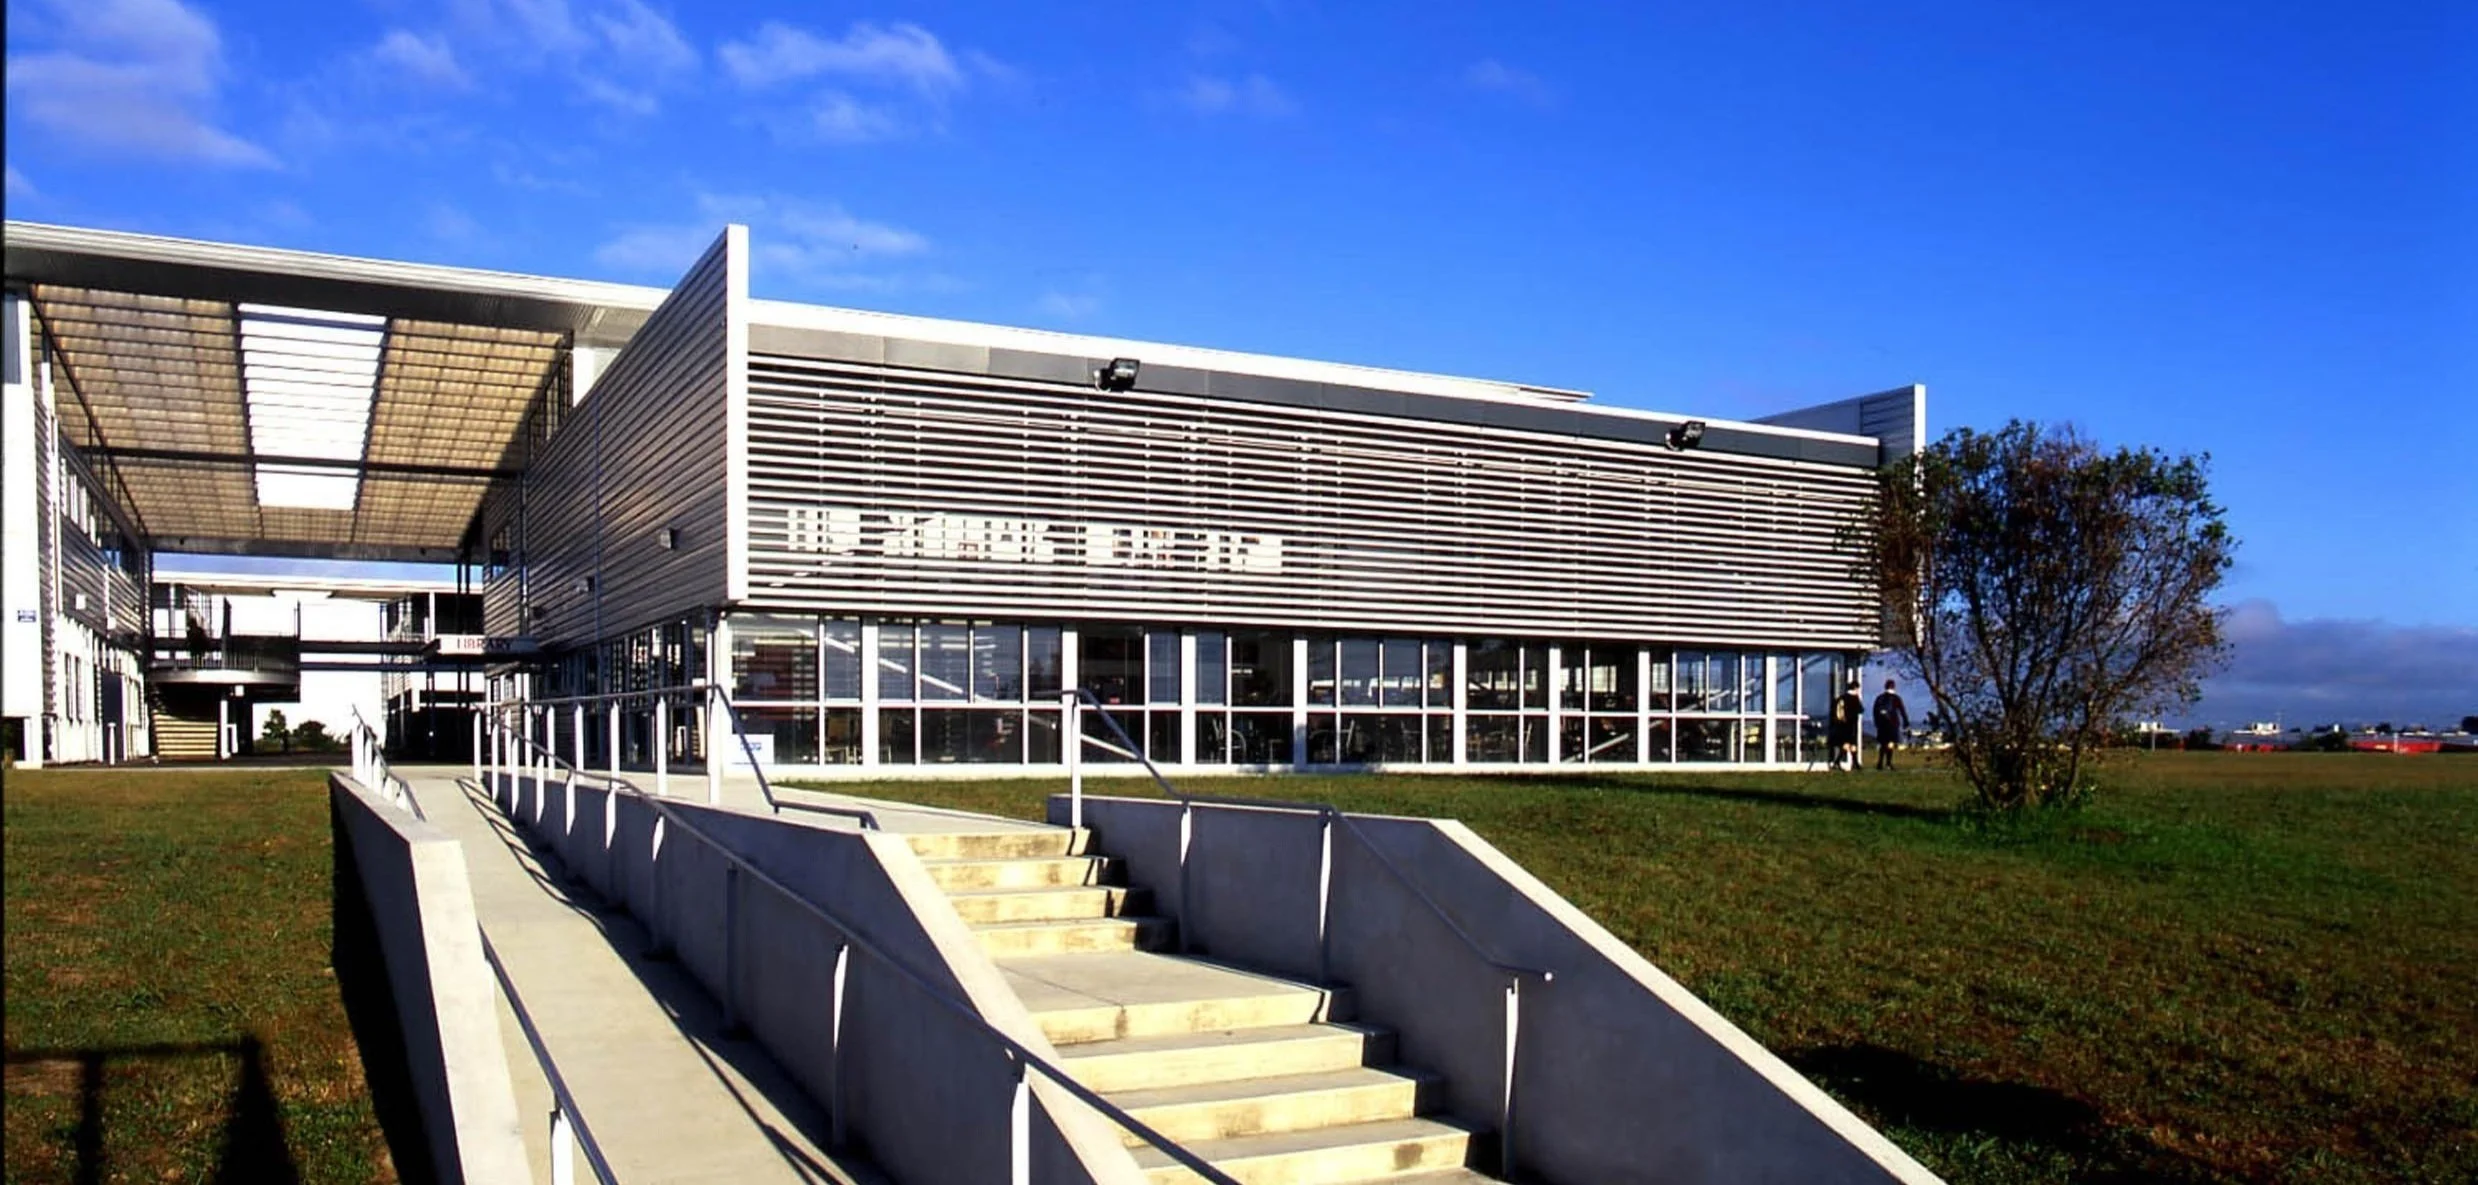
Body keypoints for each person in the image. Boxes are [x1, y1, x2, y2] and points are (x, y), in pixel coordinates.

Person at [1872, 678, 1910, 771]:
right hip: (1893, 723)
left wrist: (1876, 723)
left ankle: (1880, 762)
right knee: (1890, 744)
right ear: (1894, 687)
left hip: (1881, 724)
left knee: (1883, 743)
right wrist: (1906, 722)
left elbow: (1875, 711)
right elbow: (1902, 711)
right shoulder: (1896, 698)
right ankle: (1888, 763)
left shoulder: (1879, 698)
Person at [1828, 677, 1864, 771]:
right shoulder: (1854, 698)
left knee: (1847, 744)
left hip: (1842, 724)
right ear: (1855, 688)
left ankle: (1849, 763)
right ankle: (1850, 763)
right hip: (1851, 724)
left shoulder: (1842, 697)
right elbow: (1860, 710)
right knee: (1851, 744)